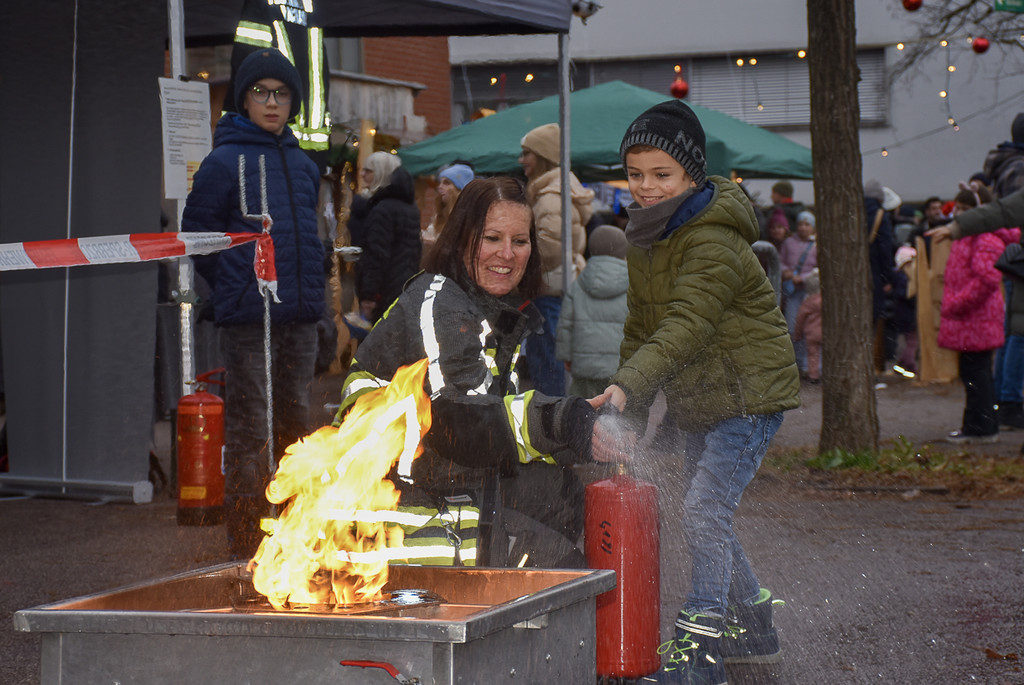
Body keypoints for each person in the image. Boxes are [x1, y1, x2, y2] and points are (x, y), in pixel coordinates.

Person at [593, 100, 800, 685]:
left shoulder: (713, 241)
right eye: (636, 174)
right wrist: (622, 400)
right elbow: (642, 328)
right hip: (700, 401)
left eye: (662, 175)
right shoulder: (645, 238)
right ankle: (755, 630)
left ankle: (698, 658)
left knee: (704, 511)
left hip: (748, 398)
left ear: (692, 176)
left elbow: (685, 323)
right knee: (708, 517)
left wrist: (632, 385)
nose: (647, 186)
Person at [336, 177, 601, 568]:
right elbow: (461, 422)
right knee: (566, 570)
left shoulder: (491, 310)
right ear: (462, 239)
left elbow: (497, 419)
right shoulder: (440, 302)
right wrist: (562, 421)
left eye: (520, 241)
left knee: (564, 498)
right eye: (492, 238)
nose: (507, 254)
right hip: (393, 508)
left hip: (448, 482)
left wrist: (587, 430)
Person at [181, 49, 325, 560]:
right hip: (249, 321)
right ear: (244, 98)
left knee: (293, 428)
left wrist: (318, 307)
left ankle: (291, 537)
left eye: (281, 93)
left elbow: (312, 238)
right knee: (250, 428)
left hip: (300, 319)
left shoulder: (304, 166)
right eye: (261, 92)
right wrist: (238, 285)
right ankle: (246, 541)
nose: (272, 102)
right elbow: (196, 236)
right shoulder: (224, 161)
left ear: (293, 102)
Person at [518, 123, 594, 396]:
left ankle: (551, 423)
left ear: (543, 155)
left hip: (548, 289)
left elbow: (549, 247)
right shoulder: (556, 191)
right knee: (552, 359)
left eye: (527, 153)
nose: (522, 160)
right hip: (556, 287)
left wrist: (522, 268)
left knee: (548, 363)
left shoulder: (551, 197)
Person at [938, 185, 1018, 444]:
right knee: (974, 372)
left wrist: (957, 303)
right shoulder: (973, 238)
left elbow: (986, 279)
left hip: (976, 317)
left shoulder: (984, 238)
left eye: (964, 210)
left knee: (977, 373)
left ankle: (981, 427)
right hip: (972, 318)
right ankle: (978, 424)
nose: (959, 215)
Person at [555, 225, 629, 398]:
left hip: (584, 367)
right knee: (616, 414)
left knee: (582, 410)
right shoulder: (633, 285)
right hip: (620, 367)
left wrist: (566, 356)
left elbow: (566, 324)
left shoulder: (578, 285)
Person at [355, 152, 421, 324]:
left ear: (380, 173)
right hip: (405, 285)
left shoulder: (382, 208)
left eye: (368, 171)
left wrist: (369, 295)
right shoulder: (410, 206)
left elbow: (376, 255)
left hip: (385, 290)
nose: (363, 175)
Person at [778, 210, 818, 377]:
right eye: (801, 224)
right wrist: (786, 272)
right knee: (792, 326)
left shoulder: (816, 246)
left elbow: (818, 269)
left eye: (807, 224)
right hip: (792, 292)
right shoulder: (788, 243)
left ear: (812, 227)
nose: (803, 228)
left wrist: (803, 277)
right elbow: (780, 261)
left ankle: (808, 365)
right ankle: (793, 362)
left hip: (809, 291)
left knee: (810, 328)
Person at [864, 180, 896, 376]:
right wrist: (887, 278)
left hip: (851, 279)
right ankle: (872, 368)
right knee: (872, 323)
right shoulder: (880, 215)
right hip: (874, 275)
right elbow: (885, 248)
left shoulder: (851, 211)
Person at [421, 162, 474, 262]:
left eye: (446, 183)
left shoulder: (470, 216)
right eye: (440, 182)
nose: (439, 187)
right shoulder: (440, 213)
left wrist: (437, 244)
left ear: (459, 189)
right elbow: (430, 232)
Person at [890, 245, 919, 376]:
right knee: (912, 343)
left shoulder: (900, 276)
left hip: (905, 314)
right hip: (907, 315)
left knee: (910, 342)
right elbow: (906, 296)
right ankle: (911, 366)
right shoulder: (903, 278)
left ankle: (900, 366)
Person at [793, 270, 822, 384]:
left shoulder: (807, 303)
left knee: (813, 354)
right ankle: (829, 372)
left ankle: (814, 376)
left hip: (811, 333)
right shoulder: (826, 301)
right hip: (825, 332)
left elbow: (800, 319)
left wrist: (797, 334)